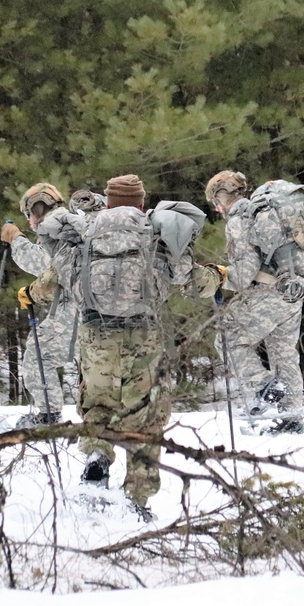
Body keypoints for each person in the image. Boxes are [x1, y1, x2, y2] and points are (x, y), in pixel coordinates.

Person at [22, 174, 204, 520]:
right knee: (146, 417)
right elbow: (182, 274)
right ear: (140, 202)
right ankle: (137, 499)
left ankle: (96, 458)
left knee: (98, 406)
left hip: (95, 335)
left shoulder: (85, 230)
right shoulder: (155, 228)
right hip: (144, 337)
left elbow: (60, 270)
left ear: (108, 201)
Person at [198, 171, 304, 435]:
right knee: (284, 353)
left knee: (226, 339)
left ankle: (264, 387)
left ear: (222, 196)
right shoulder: (263, 212)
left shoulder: (240, 220)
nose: (217, 210)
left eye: (216, 203)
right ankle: (291, 418)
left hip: (267, 293)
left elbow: (242, 275)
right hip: (293, 290)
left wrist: (217, 275)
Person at [0, 183, 78, 427]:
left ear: (37, 208)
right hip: (87, 307)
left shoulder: (54, 226)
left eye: (28, 215)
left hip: (77, 311)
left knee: (37, 354)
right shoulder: (71, 223)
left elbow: (41, 263)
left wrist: (16, 239)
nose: (30, 221)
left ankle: (48, 416)